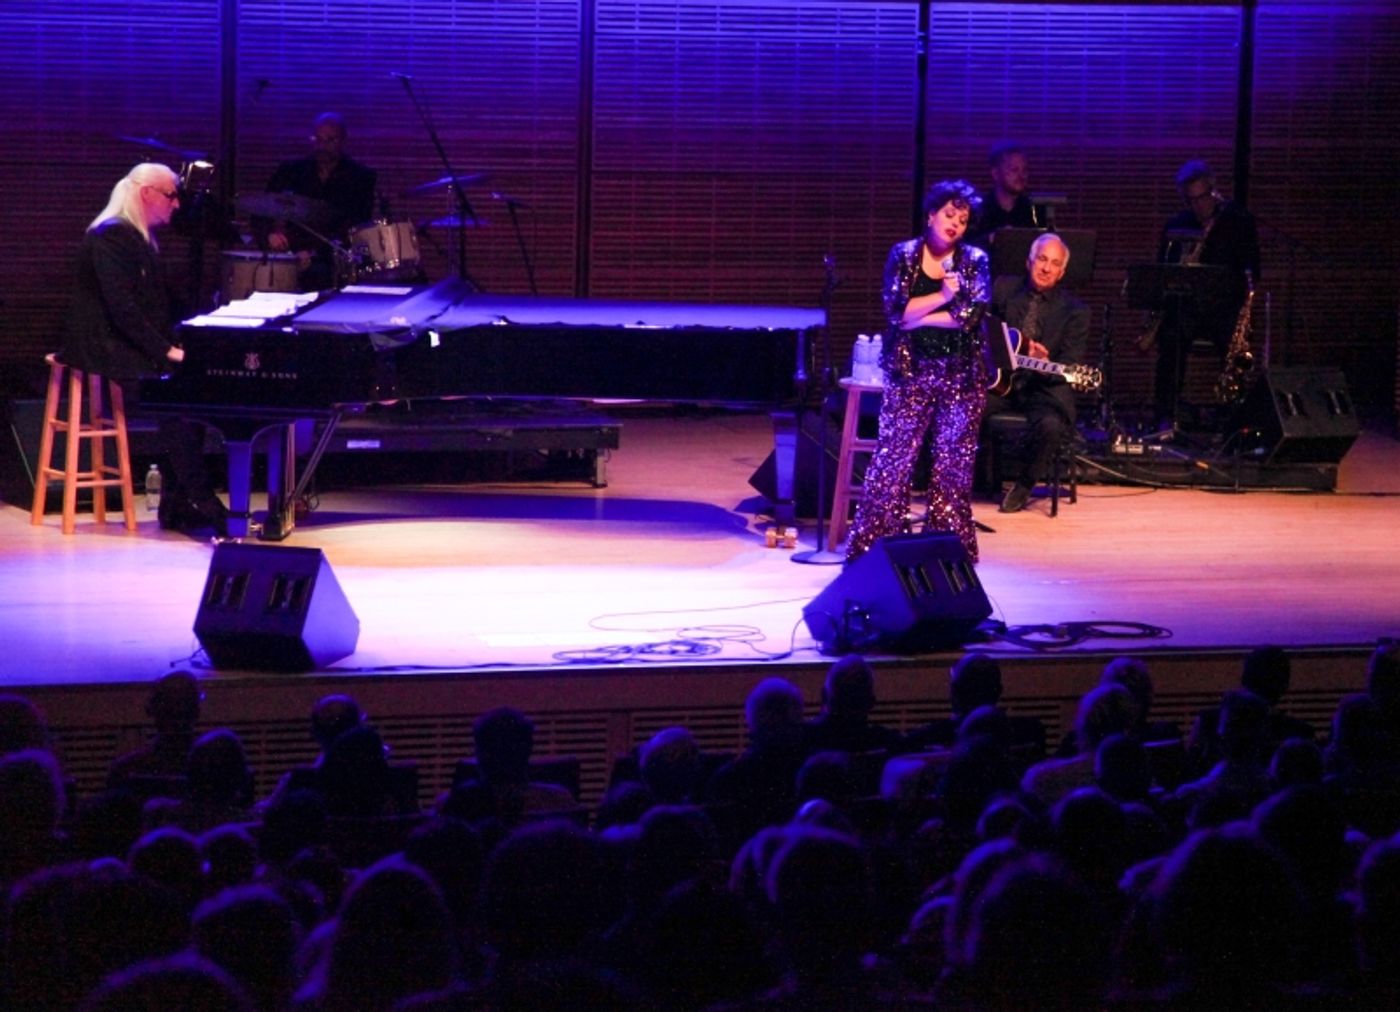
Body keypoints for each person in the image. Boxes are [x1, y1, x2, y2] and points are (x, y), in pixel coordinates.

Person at [59, 163, 227, 535]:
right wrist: (166, 352)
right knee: (175, 401)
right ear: (145, 193)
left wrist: (189, 337)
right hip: (104, 347)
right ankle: (199, 499)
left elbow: (154, 306)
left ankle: (178, 503)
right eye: (171, 196)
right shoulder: (111, 236)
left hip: (125, 342)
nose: (177, 205)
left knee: (192, 394)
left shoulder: (137, 237)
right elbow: (123, 310)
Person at [846, 179, 991, 563]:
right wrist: (943, 296)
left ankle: (947, 558)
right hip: (909, 374)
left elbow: (970, 315)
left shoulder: (974, 259)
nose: (955, 224)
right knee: (892, 462)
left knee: (952, 468)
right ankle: (875, 554)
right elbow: (896, 312)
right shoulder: (904, 254)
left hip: (961, 377)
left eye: (963, 219)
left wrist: (919, 315)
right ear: (930, 214)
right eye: (949, 214)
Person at [1147, 159, 1260, 429]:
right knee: (1171, 335)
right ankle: (1166, 414)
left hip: (1224, 310)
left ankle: (1236, 418)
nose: (1199, 205)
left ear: (1214, 190)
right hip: (1188, 309)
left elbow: (1253, 270)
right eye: (1192, 200)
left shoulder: (1238, 221)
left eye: (1203, 197)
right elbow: (1164, 273)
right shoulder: (1178, 225)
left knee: (1236, 348)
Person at [985, 232, 1089, 513]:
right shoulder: (1004, 289)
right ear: (1029, 261)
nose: (1046, 268)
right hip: (1001, 382)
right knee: (963, 406)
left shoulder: (1075, 311)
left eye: (1054, 263)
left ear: (1062, 271)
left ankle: (1024, 486)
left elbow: (1070, 362)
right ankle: (970, 478)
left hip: (1043, 387)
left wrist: (1046, 362)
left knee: (1051, 426)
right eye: (1042, 259)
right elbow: (984, 329)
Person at [260, 112, 377, 291]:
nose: (322, 146)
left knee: (319, 274)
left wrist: (314, 254)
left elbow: (357, 228)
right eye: (317, 139)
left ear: (343, 141)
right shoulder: (291, 171)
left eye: (330, 140)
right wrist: (270, 234)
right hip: (289, 253)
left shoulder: (360, 177)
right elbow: (262, 209)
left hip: (332, 259)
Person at [966, 141, 1037, 250]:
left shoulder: (1030, 208)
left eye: (1024, 170)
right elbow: (964, 247)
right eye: (1014, 170)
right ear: (995, 174)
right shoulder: (979, 209)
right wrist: (993, 238)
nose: (1021, 176)